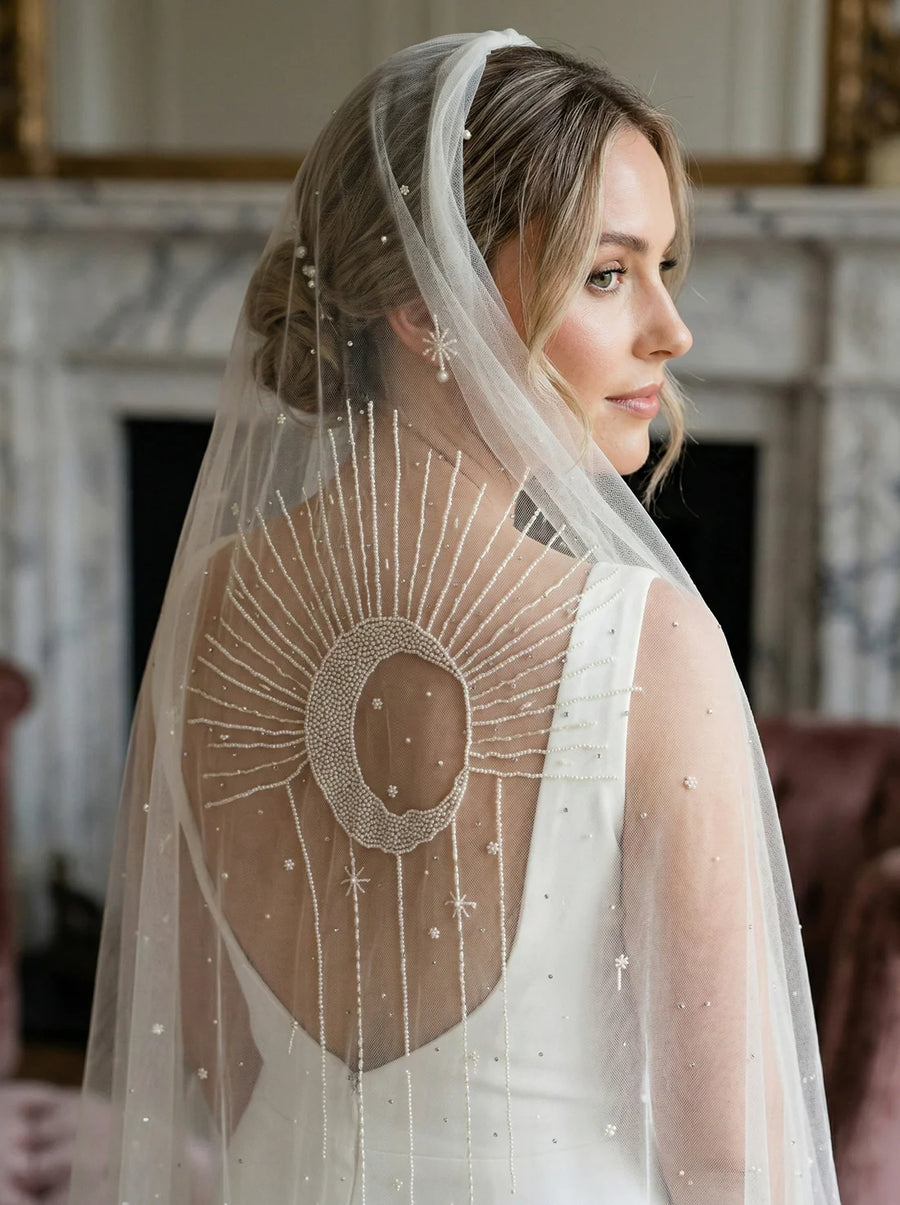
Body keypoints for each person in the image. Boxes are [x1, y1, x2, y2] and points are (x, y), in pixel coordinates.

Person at [67, 29, 841, 1204]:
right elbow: (731, 1159)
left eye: (664, 267)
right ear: (426, 308)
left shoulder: (212, 604)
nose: (671, 330)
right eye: (606, 273)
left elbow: (212, 1059)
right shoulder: (644, 646)